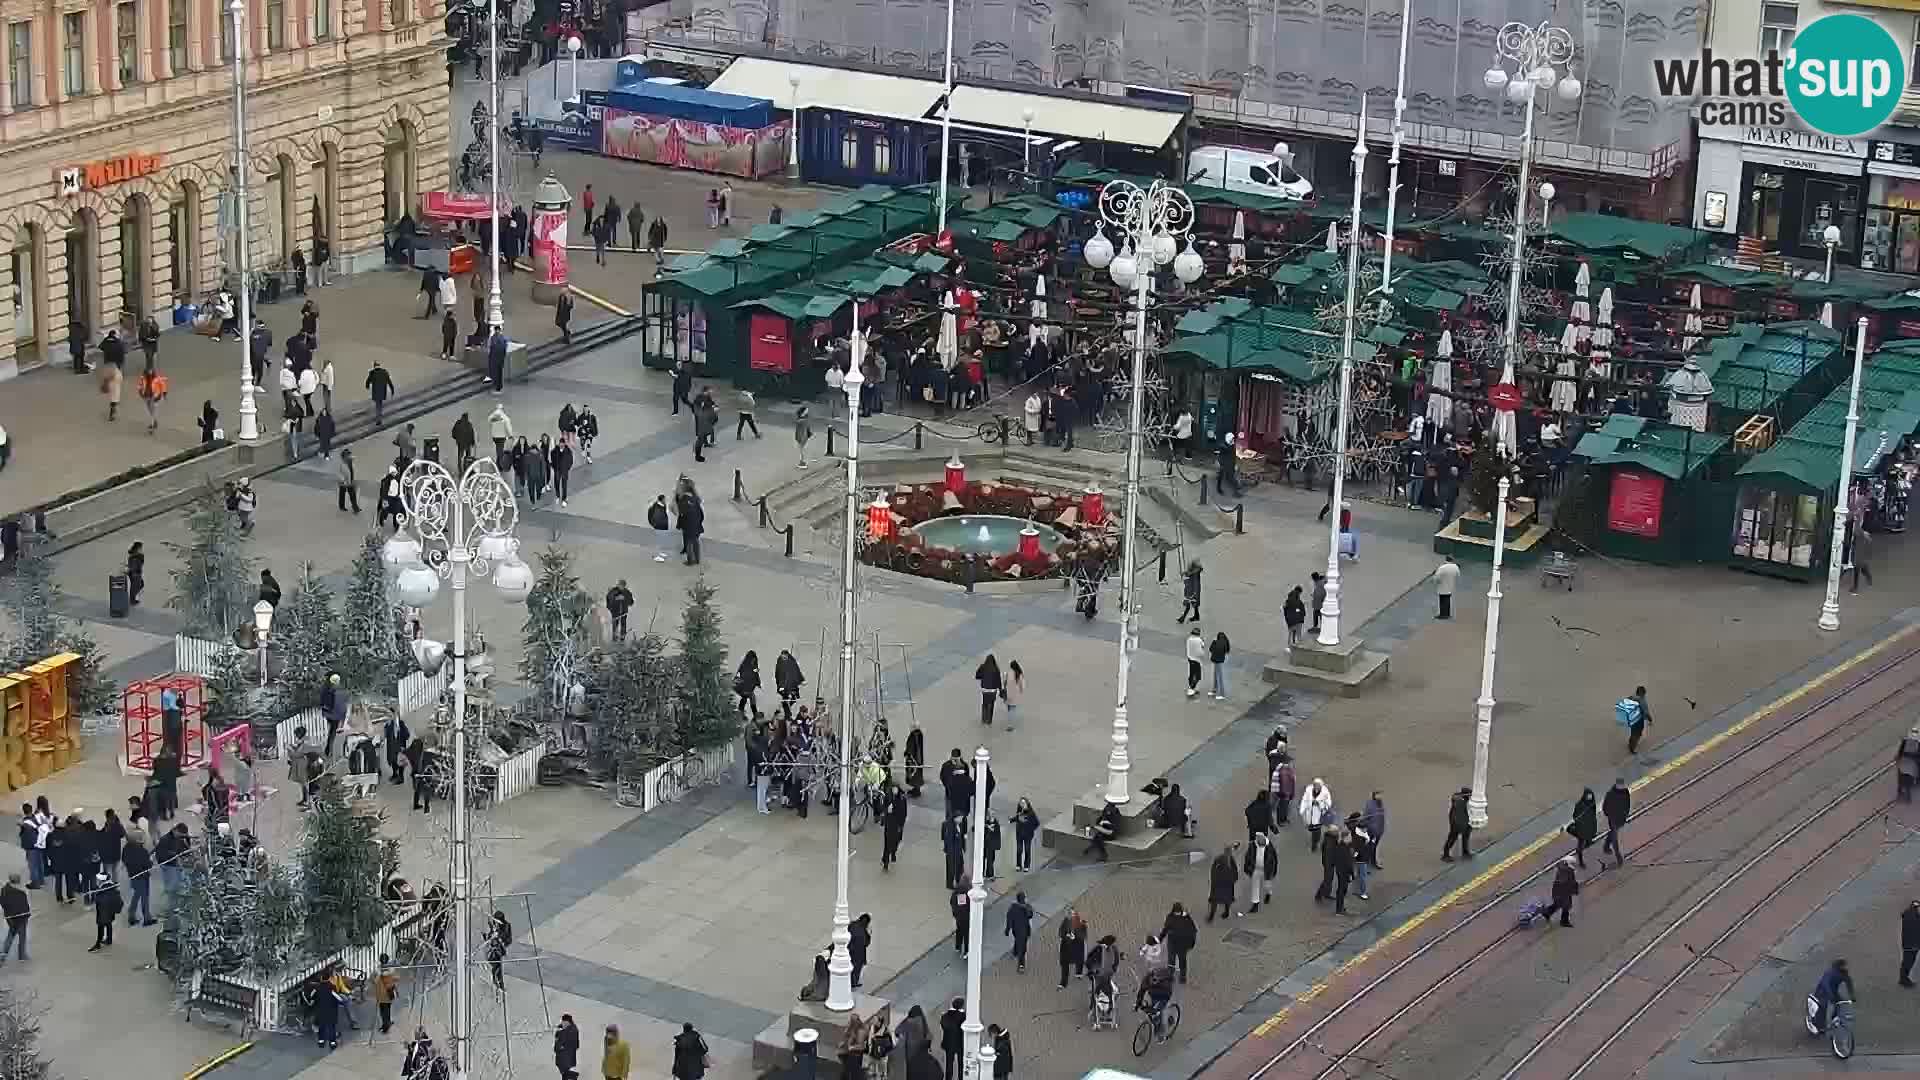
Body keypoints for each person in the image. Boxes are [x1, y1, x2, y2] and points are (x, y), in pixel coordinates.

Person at [1242, 831, 1277, 914]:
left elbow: (1274, 859)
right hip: (1256, 869)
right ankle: (1255, 904)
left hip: (1266, 870)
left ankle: (1268, 893)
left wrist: (1274, 871)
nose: (1260, 843)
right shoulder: (1252, 845)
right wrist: (1247, 868)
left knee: (1267, 885)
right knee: (1255, 886)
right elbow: (1247, 857)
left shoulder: (1269, 846)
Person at [1539, 855, 1579, 928]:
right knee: (1566, 906)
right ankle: (1564, 921)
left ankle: (1547, 912)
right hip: (1564, 891)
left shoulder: (1561, 868)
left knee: (1558, 903)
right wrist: (1575, 890)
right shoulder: (1569, 871)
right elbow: (1571, 882)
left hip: (1557, 890)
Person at [1162, 902, 1197, 982]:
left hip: (1173, 944)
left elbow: (1165, 929)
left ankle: (1171, 975)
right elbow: (1193, 931)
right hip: (1182, 945)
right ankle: (1182, 977)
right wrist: (1192, 944)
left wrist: (1160, 939)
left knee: (1172, 960)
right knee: (1182, 960)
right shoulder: (1187, 918)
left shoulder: (1170, 917)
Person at [87, 871, 121, 950]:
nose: (97, 880)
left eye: (98, 879)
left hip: (103, 911)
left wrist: (96, 896)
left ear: (102, 880)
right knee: (109, 924)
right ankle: (109, 940)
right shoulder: (111, 886)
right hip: (110, 911)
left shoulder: (103, 889)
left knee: (100, 927)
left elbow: (99, 900)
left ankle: (98, 944)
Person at [1601, 778, 1631, 866]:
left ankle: (1606, 846)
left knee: (1613, 832)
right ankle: (1618, 856)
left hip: (1620, 818)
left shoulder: (1625, 792)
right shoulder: (1611, 794)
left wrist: (1625, 814)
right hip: (1613, 819)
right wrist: (1609, 815)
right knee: (1615, 836)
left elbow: (1627, 804)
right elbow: (1605, 807)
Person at [1298, 777, 1333, 850]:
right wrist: (1302, 810)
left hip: (1319, 816)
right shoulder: (1308, 790)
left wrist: (1319, 804)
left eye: (1318, 786)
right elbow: (1304, 800)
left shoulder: (1325, 792)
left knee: (1316, 831)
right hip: (1309, 814)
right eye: (1315, 785)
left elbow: (1328, 804)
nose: (1316, 787)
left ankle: (1315, 844)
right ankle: (1315, 841)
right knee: (1311, 828)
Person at [1568, 787, 1598, 869]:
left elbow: (1593, 814)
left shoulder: (1592, 803)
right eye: (1588, 796)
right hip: (1582, 828)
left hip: (1590, 826)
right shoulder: (1579, 805)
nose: (1589, 798)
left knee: (1588, 839)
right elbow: (1575, 816)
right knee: (1580, 845)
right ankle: (1581, 861)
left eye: (1590, 796)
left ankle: (1588, 842)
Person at [1057, 907, 1087, 988]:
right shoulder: (1065, 922)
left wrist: (1075, 936)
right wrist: (1067, 936)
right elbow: (1060, 933)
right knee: (1064, 964)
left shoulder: (1081, 924)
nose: (1071, 916)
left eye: (1073, 914)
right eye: (1070, 914)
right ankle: (1063, 982)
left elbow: (1083, 935)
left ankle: (1078, 973)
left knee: (1079, 961)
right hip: (1066, 946)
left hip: (1077, 946)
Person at [1207, 844, 1238, 921]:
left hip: (1222, 884)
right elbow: (1235, 872)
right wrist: (1233, 880)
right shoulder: (1225, 860)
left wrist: (1214, 880)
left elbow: (1213, 870)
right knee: (1223, 900)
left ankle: (1213, 915)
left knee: (1216, 901)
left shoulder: (1225, 860)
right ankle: (1223, 913)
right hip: (1223, 884)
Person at [1004, 890, 1034, 971]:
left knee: (1018, 942)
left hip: (1018, 930)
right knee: (1023, 949)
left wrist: (1007, 929)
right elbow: (1030, 915)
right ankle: (1021, 965)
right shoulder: (1024, 907)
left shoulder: (1013, 908)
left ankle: (1015, 951)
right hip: (1023, 931)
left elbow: (1009, 920)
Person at [1442, 786, 1474, 860]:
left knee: (1465, 836)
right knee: (1452, 838)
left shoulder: (1462, 800)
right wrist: (1463, 825)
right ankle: (1445, 855)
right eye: (1469, 795)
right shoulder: (1460, 802)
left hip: (1463, 821)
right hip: (1456, 823)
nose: (1470, 796)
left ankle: (1465, 852)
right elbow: (1459, 815)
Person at [940, 998, 965, 1080]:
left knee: (949, 1064)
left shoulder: (945, 1016)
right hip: (960, 1043)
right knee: (961, 1063)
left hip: (949, 1043)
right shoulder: (964, 1016)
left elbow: (944, 1026)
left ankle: (948, 1078)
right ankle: (961, 1078)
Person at [1624, 685, 1653, 755]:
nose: (1645, 693)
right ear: (1641, 693)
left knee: (1633, 732)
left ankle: (1630, 743)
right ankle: (1632, 748)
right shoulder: (1642, 700)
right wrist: (1650, 719)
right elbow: (1645, 711)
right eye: (1644, 692)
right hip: (1639, 720)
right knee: (1637, 734)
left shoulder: (1632, 697)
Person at [1011, 797, 1039, 871]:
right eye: (1021, 803)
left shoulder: (1031, 813)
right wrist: (1011, 820)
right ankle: (1018, 865)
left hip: (1027, 835)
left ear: (1027, 803)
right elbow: (1017, 818)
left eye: (1023, 803)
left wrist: (1030, 829)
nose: (1022, 804)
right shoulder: (1019, 811)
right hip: (1019, 834)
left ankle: (1026, 866)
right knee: (1019, 850)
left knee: (1027, 850)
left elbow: (1037, 823)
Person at [941, 814, 966, 891]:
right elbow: (949, 841)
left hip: (958, 850)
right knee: (951, 868)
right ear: (956, 818)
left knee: (959, 867)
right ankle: (951, 884)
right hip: (952, 852)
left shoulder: (960, 825)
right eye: (960, 818)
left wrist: (963, 848)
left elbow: (961, 837)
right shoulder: (949, 827)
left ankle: (958, 882)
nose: (961, 820)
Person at [366, 359, 395, 424]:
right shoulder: (384, 372)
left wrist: (367, 386)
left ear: (374, 366)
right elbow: (389, 382)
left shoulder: (372, 372)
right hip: (382, 391)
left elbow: (368, 381)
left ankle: (378, 419)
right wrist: (392, 390)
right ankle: (379, 417)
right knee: (379, 404)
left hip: (375, 392)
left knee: (378, 405)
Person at [975, 655, 1001, 725]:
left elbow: (977, 676)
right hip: (993, 690)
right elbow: (998, 680)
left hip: (985, 689)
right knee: (991, 704)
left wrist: (983, 677)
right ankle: (989, 721)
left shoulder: (983, 667)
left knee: (984, 704)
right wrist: (1000, 689)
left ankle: (984, 719)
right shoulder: (996, 668)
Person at [848, 912, 872, 988]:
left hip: (848, 950)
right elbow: (866, 943)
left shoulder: (852, 924)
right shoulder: (864, 931)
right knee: (856, 970)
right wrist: (869, 934)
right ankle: (853, 983)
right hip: (858, 954)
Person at [1210, 631, 1231, 700]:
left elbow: (1211, 649)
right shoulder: (1225, 643)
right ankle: (1215, 690)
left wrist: (1213, 641)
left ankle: (1222, 694)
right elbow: (1227, 651)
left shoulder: (1216, 642)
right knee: (1217, 676)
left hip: (1217, 661)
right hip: (1221, 661)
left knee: (1218, 677)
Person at [1185, 626, 1206, 698]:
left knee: (1191, 673)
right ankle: (1191, 688)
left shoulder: (1189, 639)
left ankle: (1191, 686)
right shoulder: (1199, 640)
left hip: (1190, 658)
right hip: (1197, 660)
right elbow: (1200, 652)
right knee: (1198, 676)